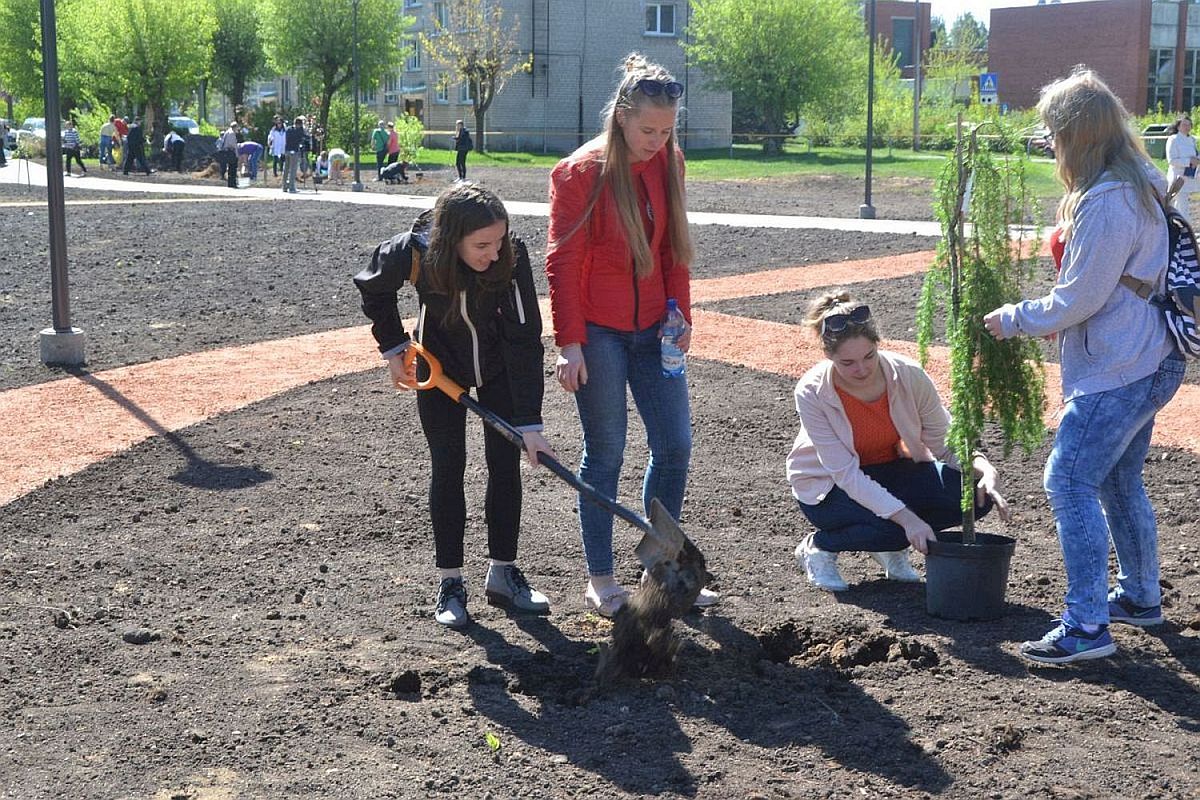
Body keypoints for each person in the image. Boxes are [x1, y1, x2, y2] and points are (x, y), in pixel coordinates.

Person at [984, 69, 1186, 666]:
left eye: (1053, 132)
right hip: (1150, 357)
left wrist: (1013, 319)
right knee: (1119, 479)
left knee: (1068, 480)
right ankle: (1141, 597)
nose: (1049, 143)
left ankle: (1087, 625)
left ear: (1077, 134)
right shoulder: (1139, 181)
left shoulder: (1108, 201)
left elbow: (1079, 299)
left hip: (1119, 366)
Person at [545, 53, 716, 617]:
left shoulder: (670, 162)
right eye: (648, 131)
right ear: (622, 117)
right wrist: (569, 342)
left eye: (667, 132)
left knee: (675, 445)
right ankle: (600, 578)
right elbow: (563, 261)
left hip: (655, 332)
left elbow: (674, 249)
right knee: (606, 453)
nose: (657, 142)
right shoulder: (579, 174)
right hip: (599, 332)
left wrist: (680, 315)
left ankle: (660, 569)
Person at [353, 182, 554, 628]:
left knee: (505, 463)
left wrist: (529, 423)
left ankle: (503, 573)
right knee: (448, 466)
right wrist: (394, 347)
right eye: (482, 245)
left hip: (498, 369)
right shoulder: (414, 253)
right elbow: (373, 287)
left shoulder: (511, 256)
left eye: (499, 241)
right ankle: (450, 581)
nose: (494, 253)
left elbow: (524, 340)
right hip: (439, 370)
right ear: (451, 239)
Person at [788, 292, 1010, 592]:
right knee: (894, 529)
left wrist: (984, 468)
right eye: (847, 363)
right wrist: (908, 521)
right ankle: (820, 546)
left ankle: (888, 544)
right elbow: (846, 474)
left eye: (869, 356)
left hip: (892, 470)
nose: (861, 370)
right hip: (828, 488)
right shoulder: (812, 392)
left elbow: (945, 443)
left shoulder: (909, 375)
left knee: (973, 496)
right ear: (828, 356)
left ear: (878, 344)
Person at [1165, 114, 1198, 221]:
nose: (1187, 127)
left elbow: (1195, 155)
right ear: (1178, 126)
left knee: (1182, 205)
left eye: (1189, 125)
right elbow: (1171, 160)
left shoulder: (1192, 140)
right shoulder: (1173, 139)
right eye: (1184, 125)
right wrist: (1189, 161)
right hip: (1178, 178)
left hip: (1189, 177)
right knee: (1180, 205)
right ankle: (1183, 226)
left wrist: (1197, 160)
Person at [282, 116, 305, 194]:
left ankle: (284, 186)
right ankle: (291, 187)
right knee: (293, 170)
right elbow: (302, 138)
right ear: (299, 124)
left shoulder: (288, 129)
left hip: (287, 150)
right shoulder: (299, 131)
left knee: (286, 169)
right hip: (294, 151)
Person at [216, 122, 240, 188]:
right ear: (235, 127)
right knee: (233, 168)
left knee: (230, 168)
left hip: (227, 151)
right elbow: (233, 145)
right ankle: (233, 183)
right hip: (231, 152)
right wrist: (236, 154)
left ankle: (230, 183)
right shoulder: (232, 133)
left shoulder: (227, 132)